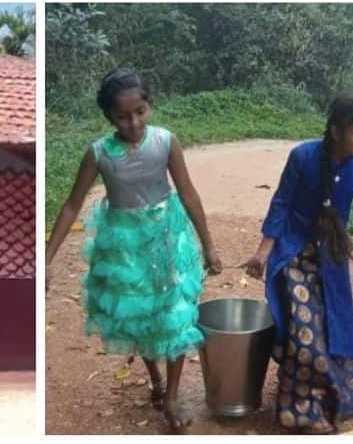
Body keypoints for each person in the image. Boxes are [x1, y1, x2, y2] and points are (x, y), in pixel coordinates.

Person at [45, 68, 222, 431]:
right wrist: (45, 258)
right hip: (124, 245)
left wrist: (209, 245)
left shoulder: (165, 142)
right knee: (138, 313)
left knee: (174, 311)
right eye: (122, 116)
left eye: (140, 111)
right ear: (109, 117)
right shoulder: (98, 154)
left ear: (149, 105)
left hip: (167, 237)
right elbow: (70, 205)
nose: (133, 122)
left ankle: (171, 396)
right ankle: (155, 377)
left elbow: (187, 193)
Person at [243, 92, 353, 434]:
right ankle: (298, 412)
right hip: (293, 254)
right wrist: (264, 251)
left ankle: (328, 402)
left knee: (332, 331)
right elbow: (281, 203)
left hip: (332, 260)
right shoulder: (303, 157)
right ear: (335, 130)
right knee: (303, 330)